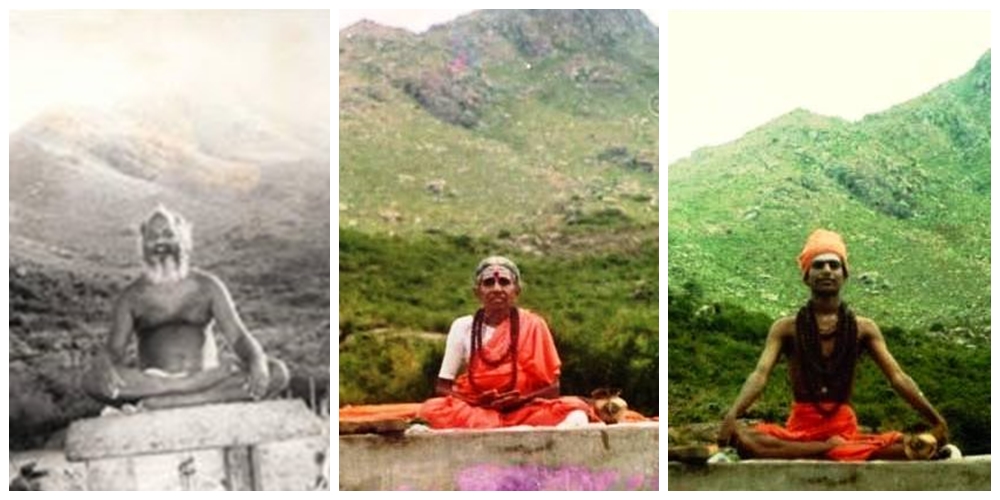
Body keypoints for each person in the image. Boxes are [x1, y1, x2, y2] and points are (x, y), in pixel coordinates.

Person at [717, 229, 949, 461]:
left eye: (834, 265)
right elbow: (759, 375)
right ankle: (831, 449)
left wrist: (936, 419)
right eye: (818, 265)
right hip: (800, 427)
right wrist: (733, 413)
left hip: (843, 426)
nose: (827, 271)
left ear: (844, 274)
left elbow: (898, 378)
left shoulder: (864, 328)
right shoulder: (785, 328)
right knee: (747, 439)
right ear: (807, 276)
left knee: (906, 443)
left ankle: (830, 449)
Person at [83, 205, 289, 410]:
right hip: (156, 383)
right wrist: (104, 362)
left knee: (277, 372)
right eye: (152, 236)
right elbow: (114, 350)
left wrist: (257, 359)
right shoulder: (131, 296)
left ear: (183, 240)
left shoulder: (208, 285)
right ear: (142, 245)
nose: (160, 242)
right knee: (92, 381)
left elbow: (238, 337)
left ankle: (178, 401)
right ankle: (188, 390)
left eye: (168, 234)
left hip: (205, 373)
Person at [417, 256, 600, 428]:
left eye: (504, 282)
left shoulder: (534, 325)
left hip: (523, 409)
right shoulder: (463, 326)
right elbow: (442, 387)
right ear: (477, 292)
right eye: (489, 283)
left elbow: (553, 389)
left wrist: (520, 400)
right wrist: (475, 402)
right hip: (476, 410)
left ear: (516, 290)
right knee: (431, 410)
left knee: (575, 410)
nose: (497, 288)